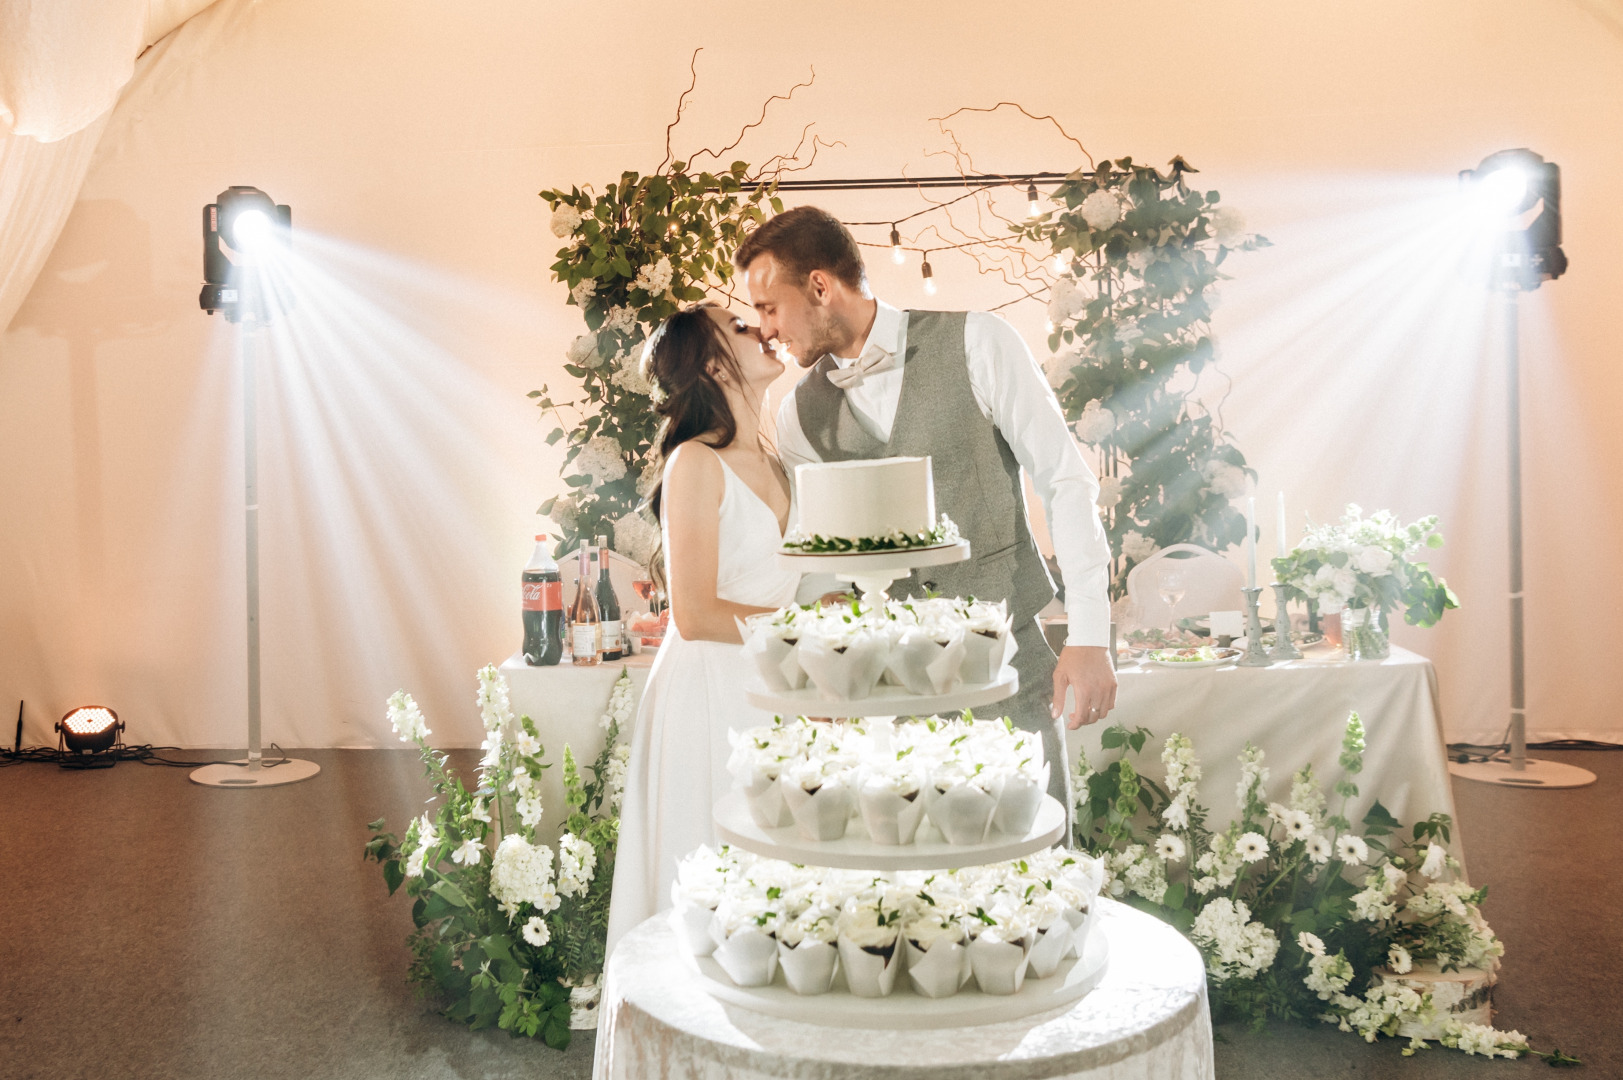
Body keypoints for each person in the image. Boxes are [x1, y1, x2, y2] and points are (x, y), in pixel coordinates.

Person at [736, 205, 1117, 813]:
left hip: (1008, 667)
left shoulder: (978, 341)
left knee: (1032, 869)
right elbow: (823, 561)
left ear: (819, 286)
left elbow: (1065, 480)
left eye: (768, 306)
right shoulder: (795, 417)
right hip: (883, 697)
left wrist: (1090, 635)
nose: (764, 328)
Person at [604, 303, 800, 953]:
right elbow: (693, 613)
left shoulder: (780, 461)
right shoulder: (695, 462)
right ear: (714, 363)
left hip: (774, 688)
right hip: (709, 692)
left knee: (779, 871)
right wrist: (805, 630)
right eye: (741, 327)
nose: (761, 328)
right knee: (711, 874)